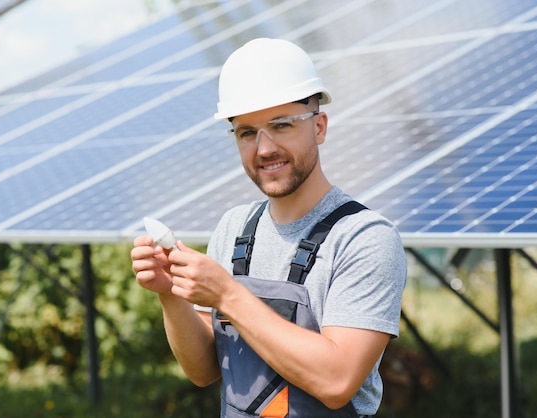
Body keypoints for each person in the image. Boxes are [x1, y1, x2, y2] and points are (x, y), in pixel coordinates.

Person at [131, 38, 406, 418]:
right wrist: (170, 295)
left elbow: (337, 382)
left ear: (320, 126)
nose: (264, 149)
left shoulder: (364, 238)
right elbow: (203, 370)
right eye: (247, 133)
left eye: (281, 125)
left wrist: (228, 295)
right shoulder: (234, 228)